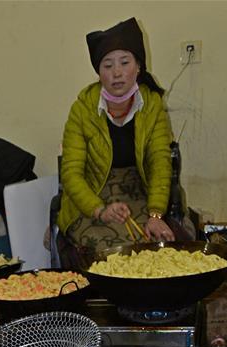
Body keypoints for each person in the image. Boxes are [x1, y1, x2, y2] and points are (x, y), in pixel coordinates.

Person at [57, 18, 175, 257]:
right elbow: (70, 172)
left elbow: (160, 163)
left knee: (160, 251)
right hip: (90, 201)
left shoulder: (151, 105)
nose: (117, 73)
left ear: (138, 66)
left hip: (138, 196)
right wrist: (99, 210)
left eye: (124, 62)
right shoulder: (82, 109)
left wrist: (155, 215)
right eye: (107, 65)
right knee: (112, 254)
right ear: (99, 73)